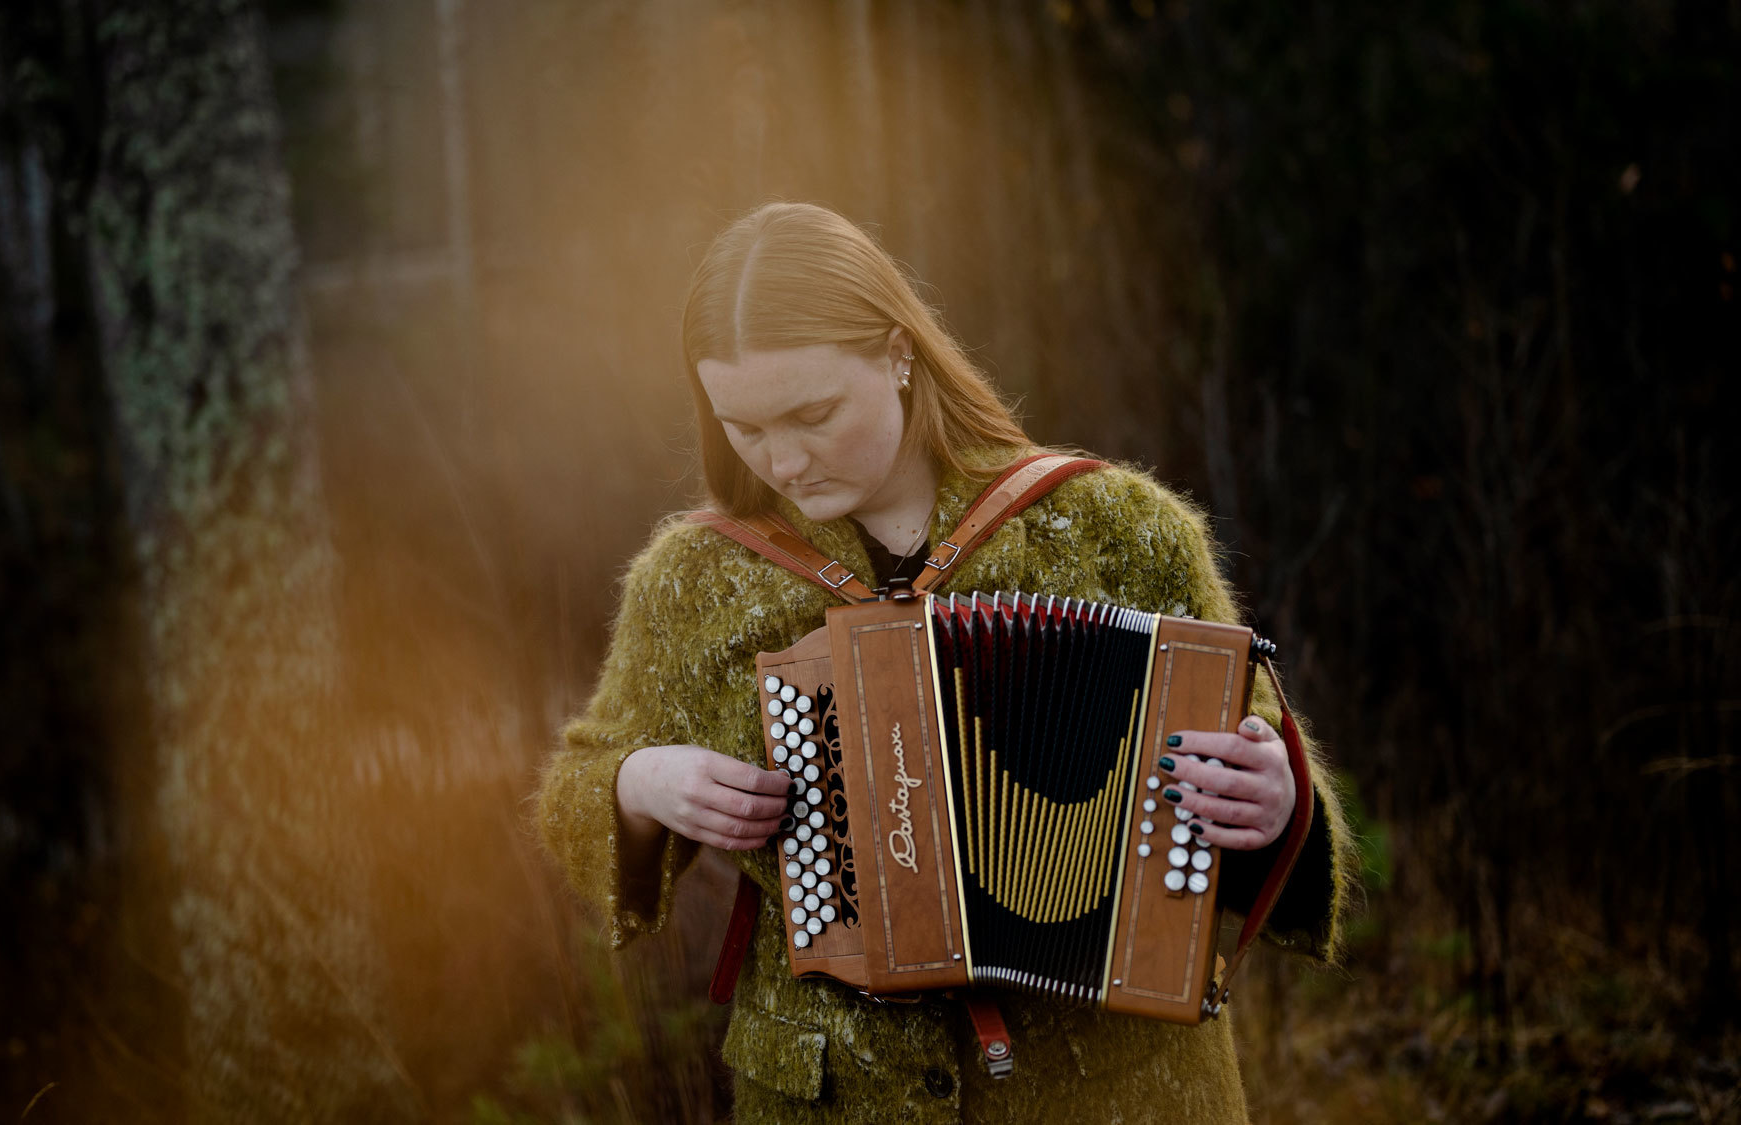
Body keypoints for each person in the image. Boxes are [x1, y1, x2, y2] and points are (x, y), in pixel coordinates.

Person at [534, 201, 1352, 1123]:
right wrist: (641, 784)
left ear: (897, 353)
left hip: (1119, 1087)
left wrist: (1276, 804)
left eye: (811, 413)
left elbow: (1255, 780)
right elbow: (577, 790)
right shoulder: (693, 580)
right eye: (742, 427)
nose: (785, 460)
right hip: (832, 1095)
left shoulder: (1121, 530)